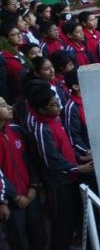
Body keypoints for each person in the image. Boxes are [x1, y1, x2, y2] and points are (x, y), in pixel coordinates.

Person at [27, 85, 94, 250]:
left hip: (71, 176)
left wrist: (80, 158)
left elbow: (64, 148)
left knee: (74, 218)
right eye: (54, 104)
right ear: (42, 110)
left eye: (57, 101)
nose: (59, 106)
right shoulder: (42, 129)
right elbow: (52, 161)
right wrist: (78, 169)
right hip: (59, 183)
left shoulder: (54, 120)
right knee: (62, 224)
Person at [0, 96, 45, 250]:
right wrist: (14, 196)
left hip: (30, 194)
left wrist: (34, 185)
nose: (10, 107)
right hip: (11, 201)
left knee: (38, 234)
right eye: (3, 105)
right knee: (18, 239)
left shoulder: (17, 130)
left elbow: (30, 159)